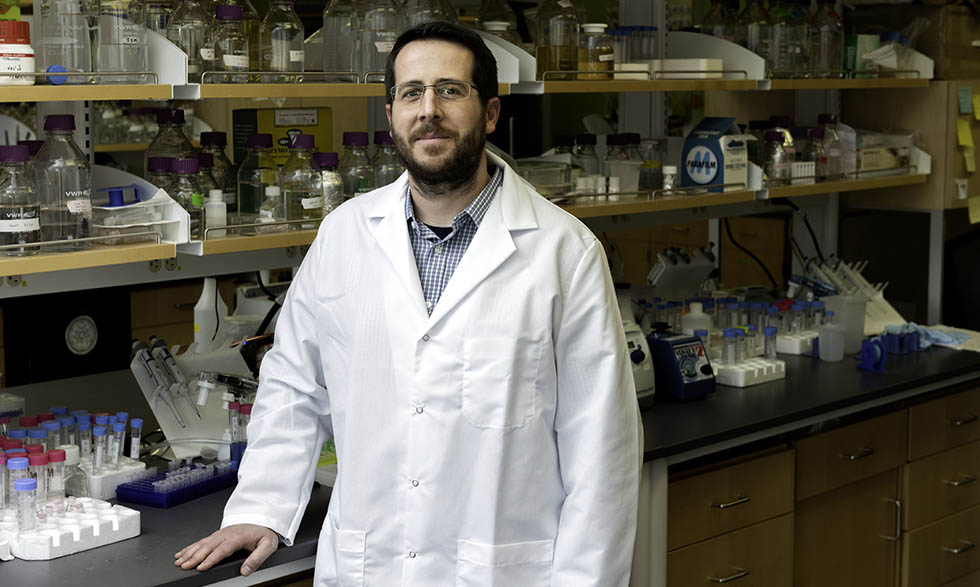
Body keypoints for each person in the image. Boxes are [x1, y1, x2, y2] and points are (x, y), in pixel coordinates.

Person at [175, 21, 641, 585]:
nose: (429, 110)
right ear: (391, 112)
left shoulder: (564, 252)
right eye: (411, 92)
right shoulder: (344, 234)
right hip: (369, 566)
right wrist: (262, 507)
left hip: (502, 571)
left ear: (490, 113)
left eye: (450, 90)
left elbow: (602, 452)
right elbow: (295, 384)